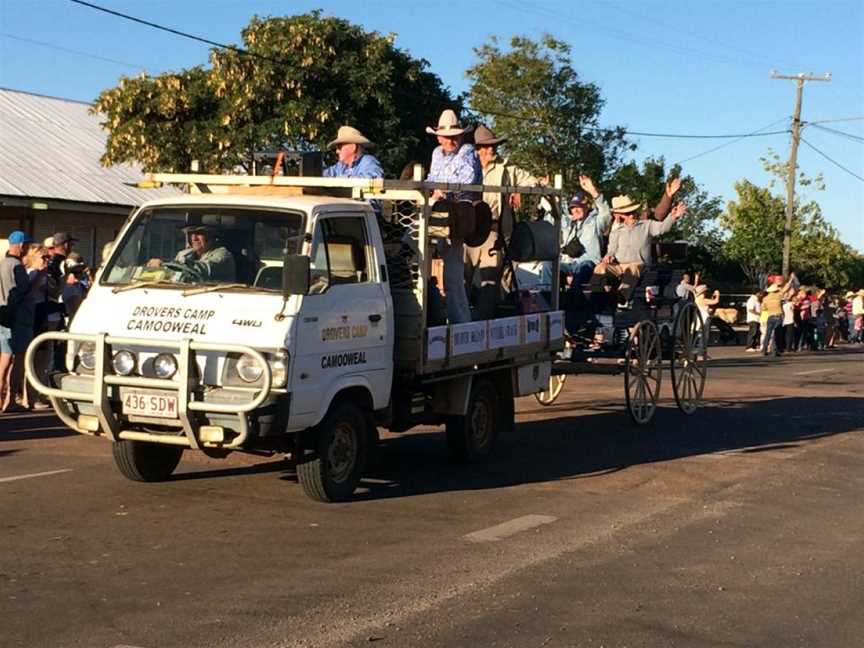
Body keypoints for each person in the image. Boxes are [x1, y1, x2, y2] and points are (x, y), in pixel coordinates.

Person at [469, 124, 536, 318]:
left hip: (492, 229)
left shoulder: (506, 168)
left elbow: (530, 180)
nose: (492, 149)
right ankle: (461, 323)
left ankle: (484, 323)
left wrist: (518, 189)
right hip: (467, 229)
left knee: (490, 282)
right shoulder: (465, 164)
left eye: (494, 145)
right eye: (487, 146)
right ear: (478, 149)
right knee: (461, 280)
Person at [425, 109, 481, 324]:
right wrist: (436, 190)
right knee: (416, 252)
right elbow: (432, 179)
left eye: (454, 137)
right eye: (447, 137)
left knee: (453, 276)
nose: (450, 141)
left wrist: (442, 190)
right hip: (438, 213)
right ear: (439, 137)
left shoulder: (468, 151)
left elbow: (465, 179)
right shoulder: (437, 153)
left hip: (457, 216)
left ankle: (461, 325)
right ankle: (442, 319)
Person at [589, 195, 685, 305]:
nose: (631, 215)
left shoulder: (647, 225)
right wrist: (608, 256)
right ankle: (592, 296)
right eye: (627, 213)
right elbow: (611, 249)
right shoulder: (617, 231)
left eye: (633, 211)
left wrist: (673, 216)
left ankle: (620, 296)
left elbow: (663, 228)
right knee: (601, 267)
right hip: (619, 266)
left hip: (639, 266)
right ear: (622, 215)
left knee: (633, 268)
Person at [557, 176, 612, 289]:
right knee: (549, 266)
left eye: (579, 207)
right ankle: (547, 300)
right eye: (572, 207)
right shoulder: (570, 224)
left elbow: (606, 213)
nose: (575, 210)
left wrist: (592, 190)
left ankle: (573, 301)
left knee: (583, 268)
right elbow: (553, 212)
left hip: (587, 263)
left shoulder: (596, 221)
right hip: (569, 263)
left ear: (587, 206)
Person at [0, 230, 33, 412]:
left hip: (3, 317)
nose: (28, 248)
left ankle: (1, 399)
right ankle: (10, 400)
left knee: (4, 359)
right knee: (17, 360)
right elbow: (21, 292)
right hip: (18, 319)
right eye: (27, 245)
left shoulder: (3, 264)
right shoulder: (17, 267)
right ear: (20, 245)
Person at [148, 225, 236, 282]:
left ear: (211, 237)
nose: (194, 238)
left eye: (199, 233)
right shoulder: (183, 254)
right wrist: (158, 268)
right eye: (191, 234)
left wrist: (166, 263)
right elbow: (173, 275)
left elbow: (204, 269)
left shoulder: (223, 255)